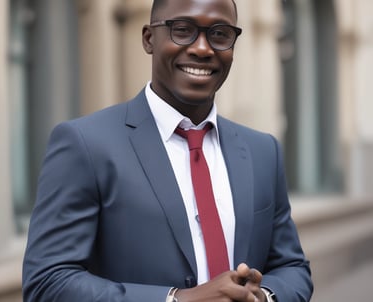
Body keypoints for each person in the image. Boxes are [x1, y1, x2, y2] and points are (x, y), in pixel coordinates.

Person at [22, 0, 313, 301]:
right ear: (149, 38)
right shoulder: (84, 144)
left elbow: (292, 267)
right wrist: (178, 300)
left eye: (220, 34)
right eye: (183, 30)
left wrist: (263, 296)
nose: (202, 48)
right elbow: (48, 282)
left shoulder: (262, 150)